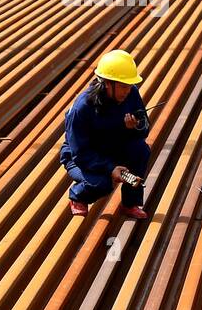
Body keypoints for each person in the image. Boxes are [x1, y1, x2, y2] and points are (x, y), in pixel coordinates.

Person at [58, 50, 152, 220]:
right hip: (81, 157)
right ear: (108, 83)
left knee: (141, 150)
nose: (127, 91)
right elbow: (80, 153)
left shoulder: (131, 93)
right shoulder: (82, 108)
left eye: (129, 85)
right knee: (102, 184)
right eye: (123, 86)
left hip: (113, 145)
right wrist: (110, 169)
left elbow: (144, 127)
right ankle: (78, 195)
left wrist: (136, 127)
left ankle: (130, 203)